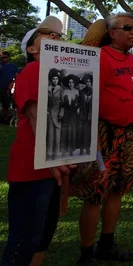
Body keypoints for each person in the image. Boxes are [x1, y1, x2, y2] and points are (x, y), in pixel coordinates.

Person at [2, 16, 75, 266]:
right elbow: (35, 115)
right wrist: (53, 158)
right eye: (45, 34)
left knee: (42, 236)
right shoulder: (34, 69)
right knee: (25, 238)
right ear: (31, 49)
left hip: (52, 164)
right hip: (32, 167)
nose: (55, 36)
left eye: (57, 34)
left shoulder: (61, 74)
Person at [77, 13, 133, 264]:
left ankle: (106, 244)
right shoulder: (101, 58)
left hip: (126, 135)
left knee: (117, 191)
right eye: (127, 28)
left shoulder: (130, 59)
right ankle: (86, 253)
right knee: (96, 194)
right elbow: (89, 102)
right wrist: (94, 143)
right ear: (112, 32)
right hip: (104, 134)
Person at [46, 70, 63, 160]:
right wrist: (46, 110)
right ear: (51, 79)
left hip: (57, 114)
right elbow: (46, 101)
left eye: (56, 79)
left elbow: (63, 103)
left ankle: (57, 151)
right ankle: (49, 151)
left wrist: (61, 113)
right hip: (49, 113)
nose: (55, 80)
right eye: (53, 79)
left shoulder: (60, 89)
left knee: (57, 133)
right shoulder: (48, 88)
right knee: (50, 133)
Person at [62, 75, 80, 157]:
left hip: (74, 114)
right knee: (66, 131)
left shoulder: (77, 92)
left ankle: (72, 149)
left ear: (74, 83)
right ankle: (65, 149)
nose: (71, 84)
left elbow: (79, 103)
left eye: (72, 82)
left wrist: (78, 110)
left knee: (73, 130)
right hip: (66, 113)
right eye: (69, 82)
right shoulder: (65, 91)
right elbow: (62, 103)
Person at [0, 51, 18, 123]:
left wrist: (12, 84)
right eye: (2, 57)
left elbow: (17, 77)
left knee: (6, 105)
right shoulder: (1, 65)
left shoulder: (13, 66)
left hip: (8, 88)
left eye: (5, 57)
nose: (3, 59)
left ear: (9, 57)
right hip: (0, 87)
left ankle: (5, 119)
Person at [78, 74, 93, 156]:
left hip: (90, 115)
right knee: (81, 132)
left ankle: (87, 148)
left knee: (88, 132)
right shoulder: (81, 92)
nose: (88, 83)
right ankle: (81, 149)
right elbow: (79, 102)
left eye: (89, 81)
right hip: (82, 115)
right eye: (86, 81)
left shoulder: (94, 92)